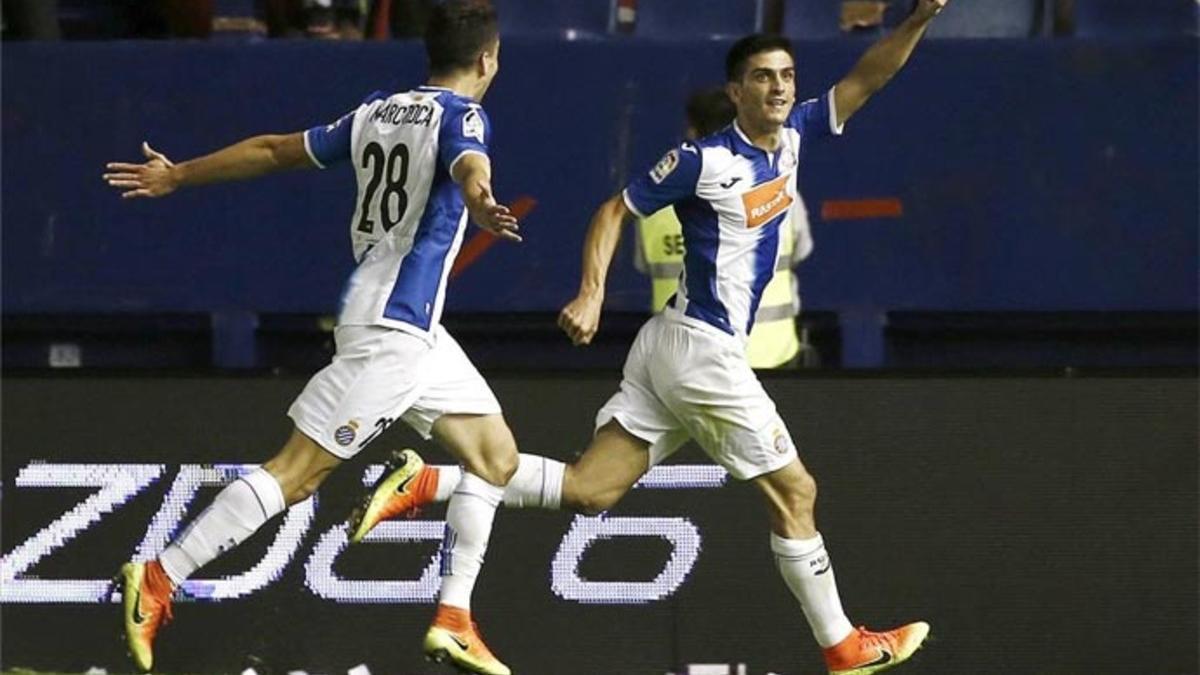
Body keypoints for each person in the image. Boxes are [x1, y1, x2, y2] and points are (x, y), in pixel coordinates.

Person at [351, 1, 950, 672]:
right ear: (736, 92)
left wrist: (918, 20)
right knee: (797, 491)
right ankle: (842, 645)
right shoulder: (703, 160)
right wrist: (592, 290)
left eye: (786, 75)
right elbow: (613, 209)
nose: (780, 87)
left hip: (675, 348)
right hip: (700, 351)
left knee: (589, 489)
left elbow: (869, 75)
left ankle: (430, 482)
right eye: (762, 77)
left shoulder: (798, 135)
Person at [102, 2, 520, 674]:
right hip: (392, 334)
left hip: (409, 326)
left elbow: (270, 149)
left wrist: (179, 174)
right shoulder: (463, 115)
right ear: (487, 60)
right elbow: (472, 163)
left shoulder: (376, 111)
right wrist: (480, 199)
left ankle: (453, 616)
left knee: (496, 456)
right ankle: (159, 574)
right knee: (295, 476)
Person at [636, 86, 817, 370]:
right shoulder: (780, 189)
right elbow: (801, 251)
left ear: (692, 133)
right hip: (773, 360)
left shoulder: (655, 204)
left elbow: (646, 265)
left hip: (686, 367)